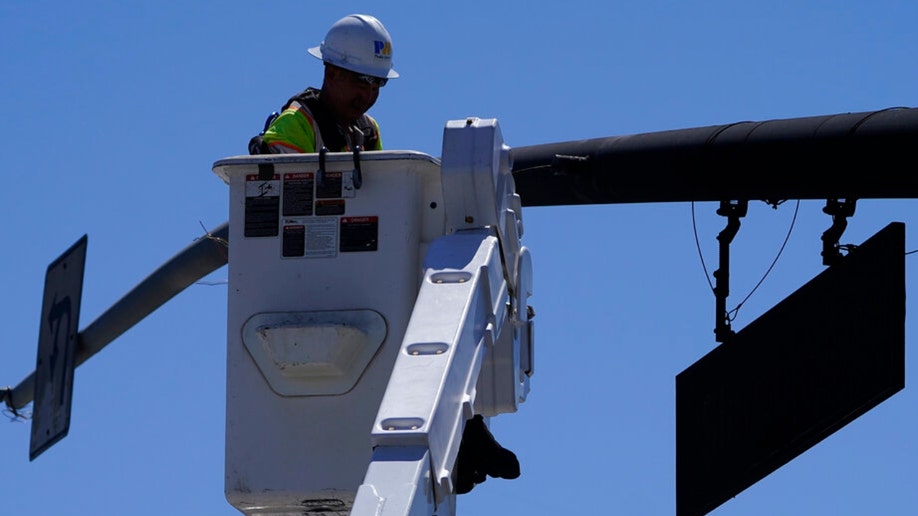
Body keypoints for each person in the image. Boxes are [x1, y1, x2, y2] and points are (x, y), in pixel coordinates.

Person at [249, 13, 398, 155]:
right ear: (332, 73)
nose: (368, 96)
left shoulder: (369, 131)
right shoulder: (295, 125)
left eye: (377, 85)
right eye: (363, 83)